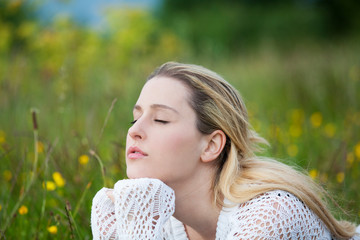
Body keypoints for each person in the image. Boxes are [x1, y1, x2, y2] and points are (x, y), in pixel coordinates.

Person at [91, 62, 360, 239]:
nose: (134, 130)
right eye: (134, 118)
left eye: (160, 119)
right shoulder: (128, 210)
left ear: (211, 145)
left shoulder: (269, 216)